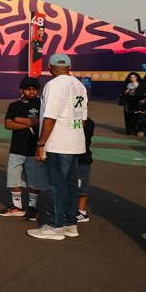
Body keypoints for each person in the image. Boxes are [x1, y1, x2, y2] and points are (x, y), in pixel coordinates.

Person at [28, 53, 89, 240]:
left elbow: (50, 117)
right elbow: (83, 119)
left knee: (56, 185)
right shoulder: (79, 85)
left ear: (49, 67)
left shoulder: (53, 85)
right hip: (76, 142)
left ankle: (54, 225)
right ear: (69, 67)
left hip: (58, 143)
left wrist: (41, 143)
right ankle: (70, 224)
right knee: (71, 186)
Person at [0, 77, 45, 219]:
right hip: (16, 148)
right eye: (28, 89)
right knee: (14, 178)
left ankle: (32, 208)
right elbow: (8, 124)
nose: (32, 91)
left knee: (34, 180)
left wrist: (18, 119)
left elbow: (40, 122)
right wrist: (29, 123)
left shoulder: (41, 104)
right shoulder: (14, 105)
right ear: (21, 90)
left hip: (34, 148)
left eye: (34, 89)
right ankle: (17, 207)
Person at [77, 117, 95, 224]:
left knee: (81, 187)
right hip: (72, 159)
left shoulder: (89, 123)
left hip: (83, 160)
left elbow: (83, 139)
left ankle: (81, 212)